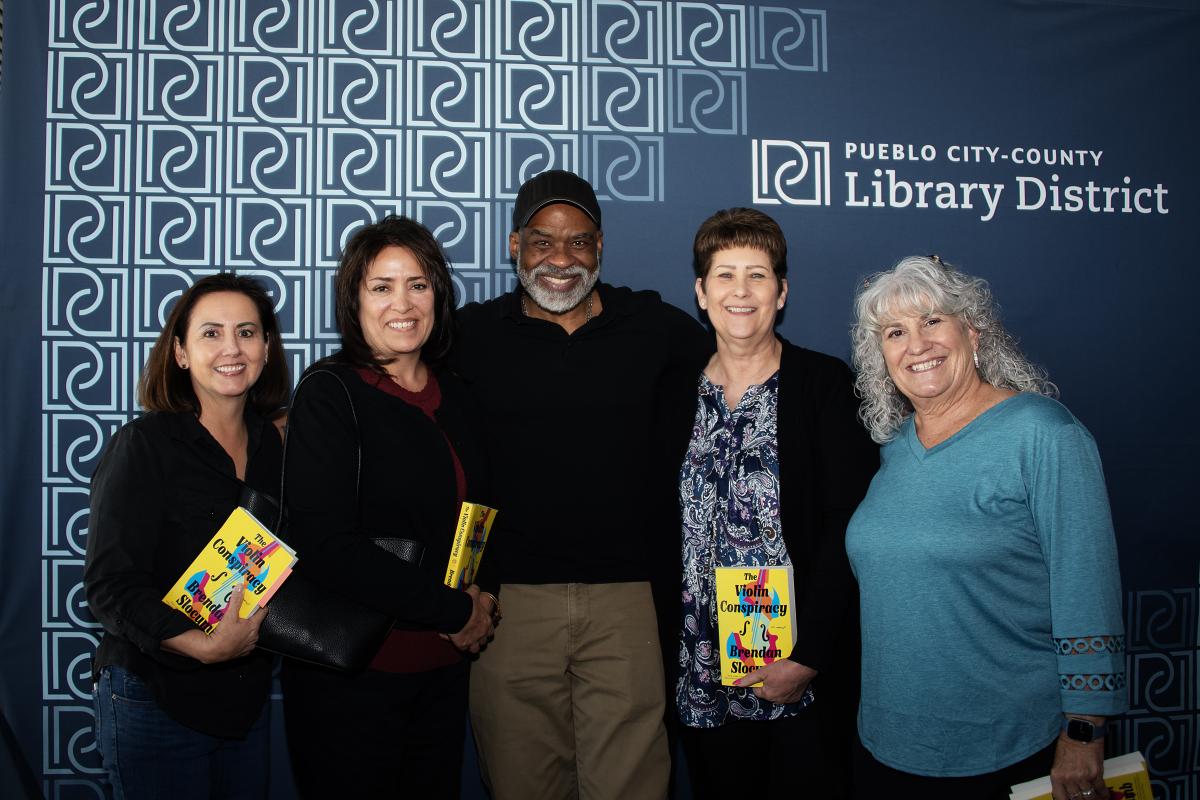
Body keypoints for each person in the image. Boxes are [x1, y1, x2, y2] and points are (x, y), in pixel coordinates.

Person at [453, 169, 710, 799]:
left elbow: (747, 363)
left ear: (601, 246)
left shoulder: (656, 328)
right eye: (543, 242)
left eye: (579, 242)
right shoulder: (468, 336)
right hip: (508, 605)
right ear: (515, 246)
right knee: (521, 787)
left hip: (627, 601)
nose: (561, 260)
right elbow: (392, 384)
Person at [846, 255, 1126, 800]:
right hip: (885, 745)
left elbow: (1087, 589)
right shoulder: (893, 451)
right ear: (882, 357)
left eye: (933, 321)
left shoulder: (1043, 434)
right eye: (896, 332)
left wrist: (1085, 731)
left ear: (972, 333)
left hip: (1010, 750)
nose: (917, 344)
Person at [278, 215, 495, 798]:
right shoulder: (332, 392)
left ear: (438, 295)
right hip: (353, 682)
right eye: (382, 286)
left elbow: (479, 518)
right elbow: (325, 546)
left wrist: (478, 600)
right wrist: (452, 612)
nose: (403, 303)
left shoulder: (461, 395)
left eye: (418, 284)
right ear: (354, 300)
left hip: (444, 678)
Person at [675, 208, 878, 798]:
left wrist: (808, 655)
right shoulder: (673, 391)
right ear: (701, 292)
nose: (741, 291)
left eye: (758, 275)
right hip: (700, 666)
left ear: (782, 292)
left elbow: (849, 527)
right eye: (724, 275)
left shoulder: (823, 385)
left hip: (799, 669)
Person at [85, 273, 291, 799]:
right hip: (153, 697)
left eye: (247, 332)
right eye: (210, 333)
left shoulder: (280, 451)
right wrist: (201, 645)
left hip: (243, 704)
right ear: (179, 352)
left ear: (267, 348)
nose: (231, 348)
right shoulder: (144, 446)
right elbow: (110, 586)